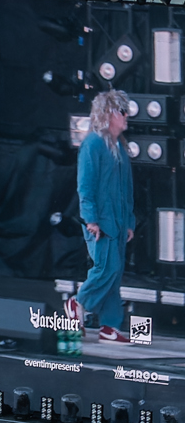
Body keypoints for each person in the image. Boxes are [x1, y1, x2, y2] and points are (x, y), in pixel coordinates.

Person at [70, 89, 136, 343]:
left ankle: (109, 326)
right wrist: (91, 220)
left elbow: (126, 190)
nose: (126, 116)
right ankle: (78, 303)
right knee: (107, 268)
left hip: (118, 223)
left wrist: (129, 222)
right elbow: (85, 185)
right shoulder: (93, 144)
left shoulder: (120, 147)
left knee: (114, 274)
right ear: (109, 114)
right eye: (122, 111)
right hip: (101, 222)